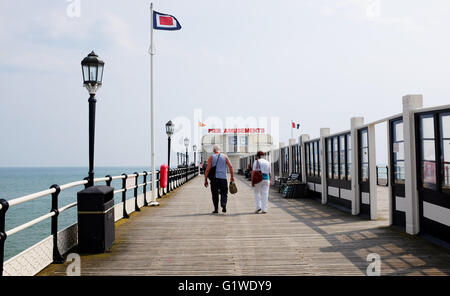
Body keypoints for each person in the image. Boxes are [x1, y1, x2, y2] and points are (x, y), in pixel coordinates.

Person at [204, 144, 235, 213]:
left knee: (214, 194)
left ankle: (216, 209)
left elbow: (207, 169)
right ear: (219, 150)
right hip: (223, 178)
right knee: (224, 192)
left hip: (214, 179)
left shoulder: (211, 157)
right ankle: (223, 204)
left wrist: (205, 179)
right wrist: (232, 176)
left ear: (213, 150)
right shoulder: (225, 156)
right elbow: (231, 166)